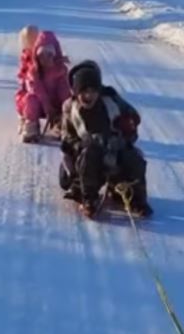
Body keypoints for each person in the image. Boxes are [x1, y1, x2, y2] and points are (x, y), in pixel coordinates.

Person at [59, 59, 153, 217]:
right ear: (76, 92)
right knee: (89, 156)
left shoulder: (111, 101)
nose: (89, 95)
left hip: (114, 148)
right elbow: (66, 137)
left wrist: (126, 132)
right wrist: (79, 145)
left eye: (93, 91)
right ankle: (88, 198)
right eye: (84, 91)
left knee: (134, 159)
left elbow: (133, 119)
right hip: (87, 153)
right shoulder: (70, 108)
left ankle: (136, 198)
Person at [16, 30, 70, 143]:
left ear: (55, 54)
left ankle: (60, 124)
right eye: (41, 55)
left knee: (67, 102)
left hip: (55, 103)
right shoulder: (33, 72)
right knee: (31, 100)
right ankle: (31, 126)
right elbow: (37, 90)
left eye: (49, 55)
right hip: (40, 103)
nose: (45, 59)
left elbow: (63, 89)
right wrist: (47, 107)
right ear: (36, 55)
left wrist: (66, 105)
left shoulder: (60, 70)